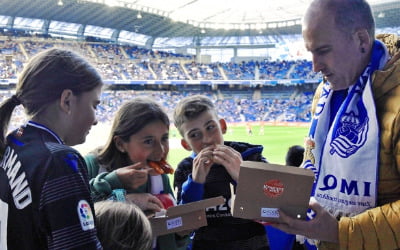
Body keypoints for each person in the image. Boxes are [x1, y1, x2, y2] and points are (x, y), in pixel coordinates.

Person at [271, 0, 400, 249]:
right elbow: (315, 165)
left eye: (323, 51)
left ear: (362, 40)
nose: (315, 66)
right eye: (311, 52)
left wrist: (340, 231)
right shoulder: (325, 92)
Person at [0, 48, 103, 249]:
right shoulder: (59, 160)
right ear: (67, 100)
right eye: (94, 105)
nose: (96, 119)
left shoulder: (15, 142)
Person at [85, 97, 189, 250]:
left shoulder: (159, 177)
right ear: (121, 144)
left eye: (164, 138)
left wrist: (181, 234)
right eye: (148, 141)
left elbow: (169, 239)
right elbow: (75, 217)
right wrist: (122, 197)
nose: (161, 151)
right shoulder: (92, 166)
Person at [173, 94, 269, 250]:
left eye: (211, 127)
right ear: (186, 144)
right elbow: (183, 227)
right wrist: (195, 183)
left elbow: (275, 209)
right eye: (194, 135)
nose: (207, 140)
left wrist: (244, 177)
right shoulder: (184, 169)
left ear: (222, 126)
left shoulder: (252, 157)